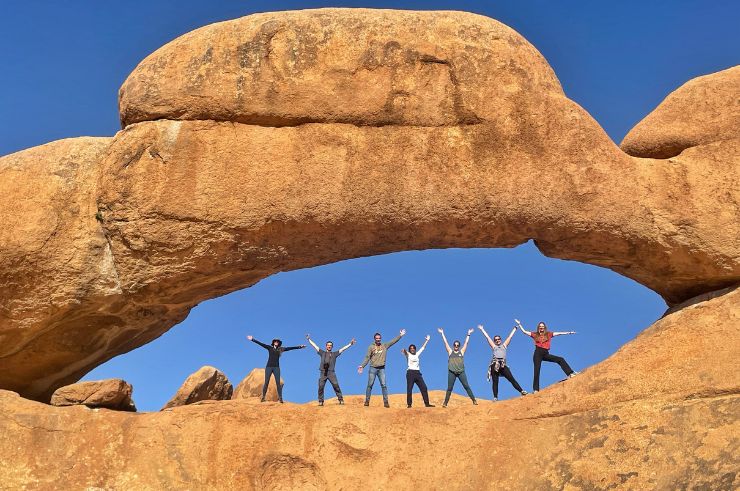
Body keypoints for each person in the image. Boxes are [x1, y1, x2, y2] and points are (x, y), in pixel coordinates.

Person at [515, 319, 578, 392]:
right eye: (540, 326)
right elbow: (525, 332)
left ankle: (570, 373)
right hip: (537, 353)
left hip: (545, 353)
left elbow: (559, 333)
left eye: (542, 326)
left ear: (544, 328)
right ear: (538, 327)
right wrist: (519, 324)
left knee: (560, 359)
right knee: (537, 371)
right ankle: (536, 389)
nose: (541, 328)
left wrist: (569, 332)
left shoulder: (549, 334)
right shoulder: (535, 334)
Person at [246, 335, 306, 403]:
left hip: (276, 368)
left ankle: (280, 398)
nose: (276, 342)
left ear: (278, 343)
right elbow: (261, 344)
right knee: (266, 382)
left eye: (277, 341)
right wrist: (252, 339)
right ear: (273, 342)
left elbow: (290, 348)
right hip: (269, 367)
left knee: (278, 383)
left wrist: (300, 347)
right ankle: (263, 397)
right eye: (275, 341)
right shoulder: (269, 348)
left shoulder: (281, 349)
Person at [477, 324, 527, 401]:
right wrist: (482, 329)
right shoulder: (494, 347)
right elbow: (487, 338)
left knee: (511, 378)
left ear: (501, 339)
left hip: (503, 364)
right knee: (495, 381)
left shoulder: (504, 346)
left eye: (498, 339)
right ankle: (495, 397)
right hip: (495, 364)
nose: (497, 340)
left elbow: (510, 337)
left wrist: (515, 328)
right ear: (494, 341)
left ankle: (521, 391)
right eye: (496, 339)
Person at [358, 329, 406, 407]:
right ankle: (367, 401)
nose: (378, 339)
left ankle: (386, 402)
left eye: (379, 338)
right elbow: (367, 357)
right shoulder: (371, 347)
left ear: (381, 338)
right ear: (374, 339)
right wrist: (362, 366)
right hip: (372, 368)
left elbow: (393, 341)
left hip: (381, 369)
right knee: (370, 385)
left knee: (384, 385)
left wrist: (400, 335)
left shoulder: (384, 346)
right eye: (377, 338)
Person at [305, 334, 356, 406]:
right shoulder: (322, 352)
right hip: (323, 372)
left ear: (332, 347)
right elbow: (315, 346)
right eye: (328, 345)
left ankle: (340, 400)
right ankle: (321, 401)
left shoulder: (334, 354)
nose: (329, 346)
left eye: (330, 345)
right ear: (326, 346)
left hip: (331, 373)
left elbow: (343, 349)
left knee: (336, 385)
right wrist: (309, 339)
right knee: (321, 387)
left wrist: (350, 344)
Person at [437, 327, 477, 407]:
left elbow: (466, 343)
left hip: (461, 372)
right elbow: (445, 342)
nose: (456, 346)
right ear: (453, 346)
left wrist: (468, 334)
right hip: (451, 372)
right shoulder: (450, 351)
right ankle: (445, 403)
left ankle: (474, 400)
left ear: (459, 346)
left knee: (466, 386)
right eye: (455, 345)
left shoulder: (461, 352)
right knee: (449, 388)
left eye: (457, 345)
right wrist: (442, 333)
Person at [401, 335, 434, 408]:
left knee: (424, 388)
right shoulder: (408, 355)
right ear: (409, 349)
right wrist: (404, 350)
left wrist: (427, 340)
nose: (412, 349)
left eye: (413, 348)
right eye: (411, 348)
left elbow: (423, 348)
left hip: (417, 373)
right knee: (409, 388)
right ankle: (409, 405)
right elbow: (405, 352)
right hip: (410, 373)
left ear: (415, 349)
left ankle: (427, 404)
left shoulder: (417, 354)